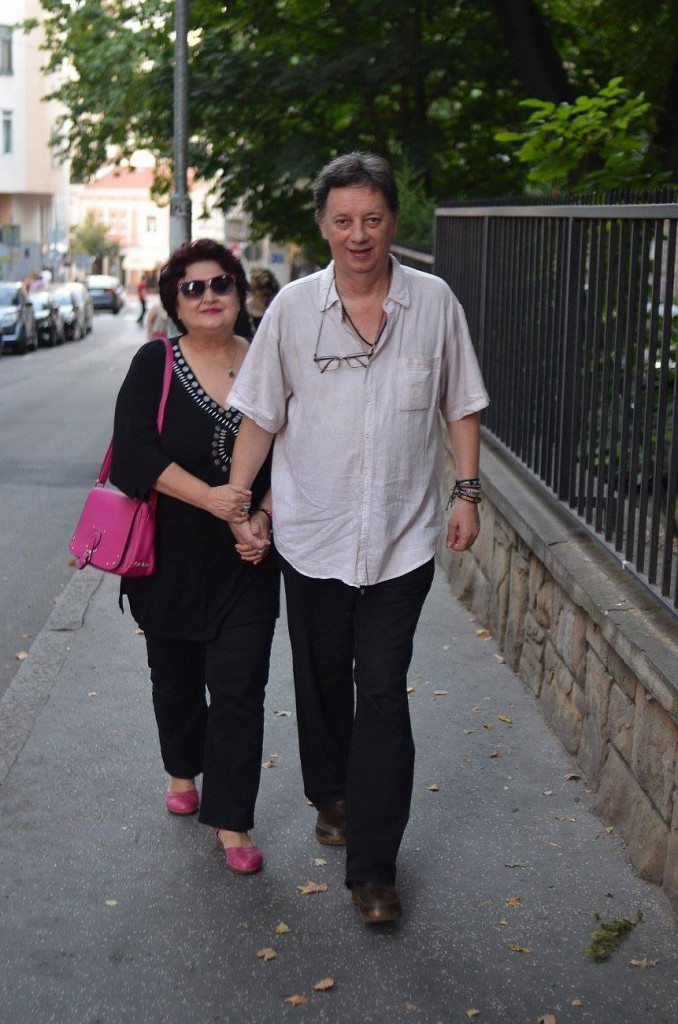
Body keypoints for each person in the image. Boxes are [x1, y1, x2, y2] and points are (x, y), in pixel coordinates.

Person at [226, 152, 489, 923]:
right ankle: (331, 794)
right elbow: (261, 414)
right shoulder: (292, 311)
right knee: (319, 676)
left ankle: (374, 870)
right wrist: (240, 503)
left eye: (372, 218)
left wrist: (467, 491)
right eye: (343, 220)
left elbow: (460, 401)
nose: (359, 234)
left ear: (393, 221)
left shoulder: (433, 303)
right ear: (322, 225)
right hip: (312, 532)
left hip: (402, 538)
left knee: (379, 686)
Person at [110, 239, 279, 875]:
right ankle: (183, 767)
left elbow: (298, 450)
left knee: (240, 687)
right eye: (193, 288)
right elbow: (132, 454)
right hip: (168, 557)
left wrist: (261, 517)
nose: (209, 296)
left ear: (240, 292)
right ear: (175, 303)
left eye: (221, 283)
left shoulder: (268, 358)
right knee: (176, 680)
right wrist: (211, 499)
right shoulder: (154, 363)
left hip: (248, 558)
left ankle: (232, 821)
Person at [246, 267, 280, 335]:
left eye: (271, 298)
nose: (268, 302)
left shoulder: (276, 316)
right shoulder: (238, 313)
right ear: (253, 294)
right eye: (264, 297)